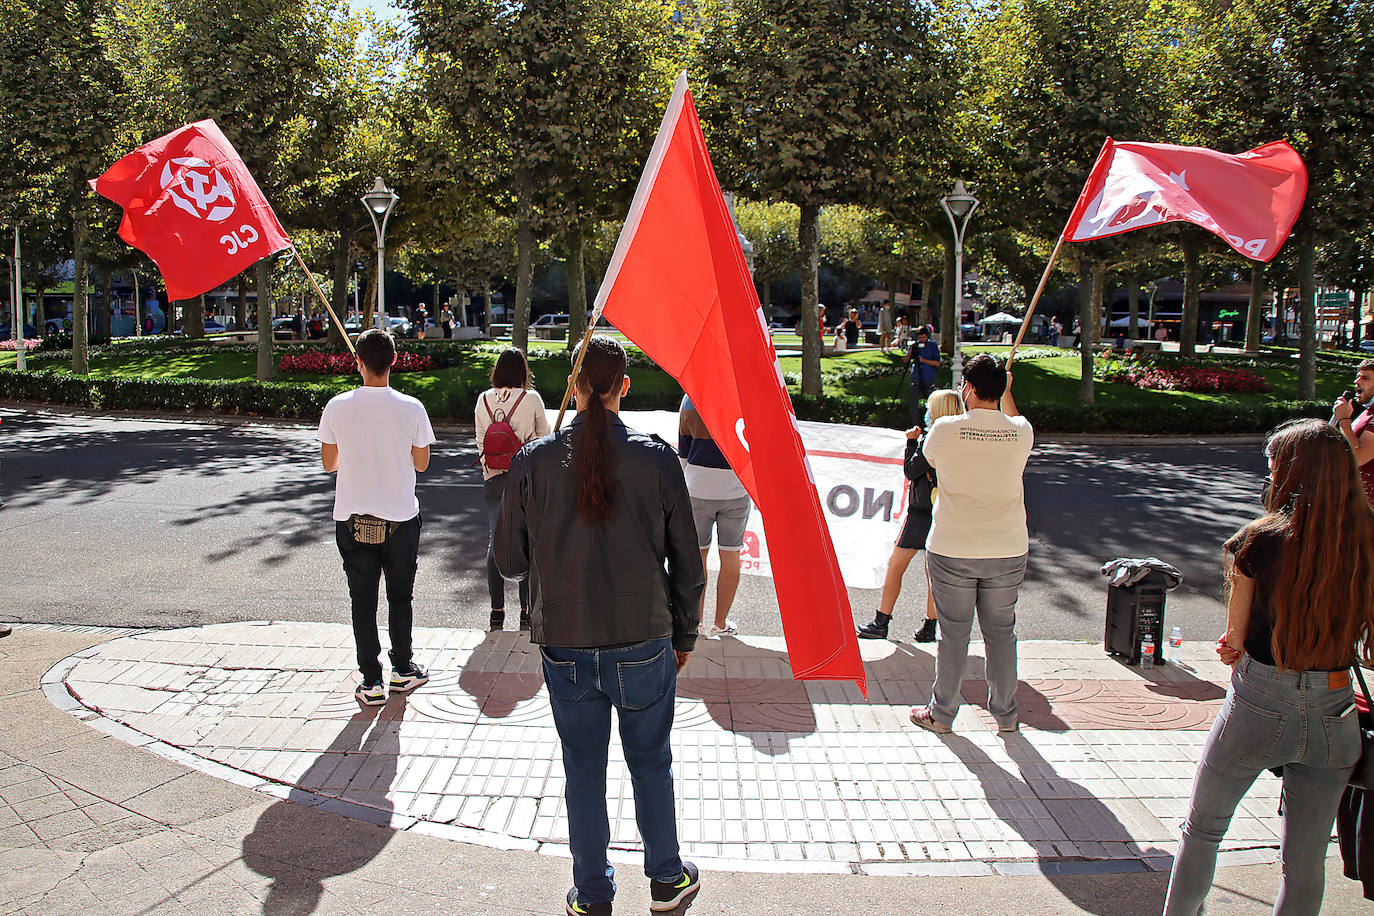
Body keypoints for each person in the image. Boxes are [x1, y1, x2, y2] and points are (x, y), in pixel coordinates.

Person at [496, 336, 704, 916]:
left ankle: (592, 894)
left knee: (583, 770)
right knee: (651, 761)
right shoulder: (657, 458)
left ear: (574, 386)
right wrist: (683, 637)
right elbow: (689, 563)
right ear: (624, 387)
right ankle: (665, 880)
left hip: (565, 641)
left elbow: (509, 561)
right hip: (644, 636)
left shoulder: (534, 461)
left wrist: (527, 493)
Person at [1163, 418, 1373, 915]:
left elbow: (1233, 643)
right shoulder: (1368, 537)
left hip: (1258, 701)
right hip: (1337, 710)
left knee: (1204, 830)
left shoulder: (1257, 540)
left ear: (1291, 473)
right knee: (1303, 860)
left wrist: (1235, 647)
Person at [909, 354, 1033, 735]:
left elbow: (924, 461)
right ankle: (1007, 714)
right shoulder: (1021, 432)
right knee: (1001, 634)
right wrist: (1006, 391)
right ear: (1001, 389)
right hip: (1007, 547)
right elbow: (1012, 419)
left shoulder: (945, 428)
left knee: (954, 634)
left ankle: (942, 713)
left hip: (953, 546)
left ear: (968, 387)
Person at [317, 328, 435, 706]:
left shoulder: (337, 406)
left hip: (353, 518)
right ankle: (403, 668)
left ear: (358, 362)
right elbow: (421, 463)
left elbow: (329, 463)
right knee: (401, 596)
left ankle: (371, 680)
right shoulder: (412, 407)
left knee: (362, 601)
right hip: (400, 517)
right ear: (395, 361)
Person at [857, 388, 964, 643]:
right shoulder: (960, 439)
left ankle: (881, 621)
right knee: (933, 572)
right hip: (946, 510)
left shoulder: (933, 439)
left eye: (930, 408)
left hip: (920, 512)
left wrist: (911, 442)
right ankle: (930, 626)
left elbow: (911, 470)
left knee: (896, 566)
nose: (926, 413)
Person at [476, 348, 549, 631]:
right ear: (523, 372)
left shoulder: (483, 399)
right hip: (525, 480)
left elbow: (480, 441)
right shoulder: (530, 399)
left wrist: (489, 474)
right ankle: (526, 612)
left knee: (496, 542)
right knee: (527, 542)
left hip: (493, 480)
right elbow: (543, 439)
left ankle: (496, 612)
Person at [678, 394, 751, 639]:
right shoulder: (744, 397)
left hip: (698, 488)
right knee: (731, 555)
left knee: (698, 557)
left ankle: (695, 623)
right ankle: (720, 623)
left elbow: (684, 450)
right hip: (735, 487)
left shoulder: (690, 398)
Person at [1332, 359, 1374, 504]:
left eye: (1365, 378)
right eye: (1357, 376)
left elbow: (1358, 457)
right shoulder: (1368, 412)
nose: (1357, 381)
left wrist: (1344, 419)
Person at [903, 325, 941, 424]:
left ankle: (931, 424)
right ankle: (916, 425)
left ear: (927, 336)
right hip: (915, 377)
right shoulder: (915, 345)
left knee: (932, 403)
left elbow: (937, 363)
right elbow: (905, 360)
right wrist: (911, 349)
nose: (922, 339)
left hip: (929, 377)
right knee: (913, 404)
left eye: (923, 337)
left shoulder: (932, 346)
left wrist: (923, 360)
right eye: (920, 338)